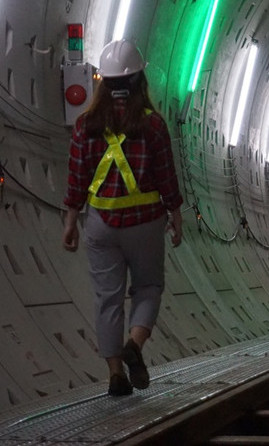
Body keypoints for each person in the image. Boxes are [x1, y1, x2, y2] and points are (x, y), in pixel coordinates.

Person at [61, 39, 183, 396]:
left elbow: (77, 177)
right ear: (139, 80)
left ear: (102, 81)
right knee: (148, 287)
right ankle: (135, 344)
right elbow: (166, 175)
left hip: (101, 224)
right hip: (145, 223)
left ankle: (116, 375)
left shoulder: (85, 125)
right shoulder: (153, 125)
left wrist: (70, 220)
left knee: (107, 298)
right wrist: (175, 213)